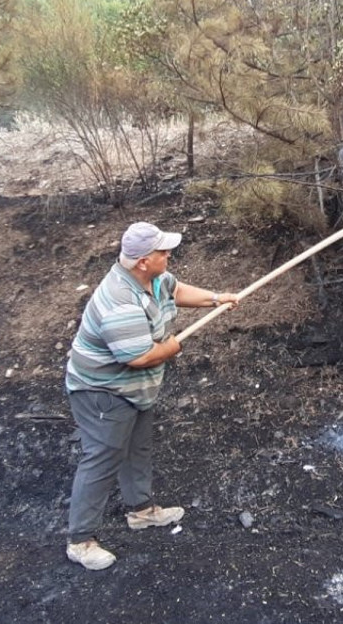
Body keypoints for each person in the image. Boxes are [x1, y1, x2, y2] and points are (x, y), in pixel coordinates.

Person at [64, 221, 239, 570]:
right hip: (102, 391)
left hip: (134, 390)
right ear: (143, 260)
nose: (169, 254)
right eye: (163, 251)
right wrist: (173, 346)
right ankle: (80, 540)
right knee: (102, 457)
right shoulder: (120, 301)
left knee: (137, 447)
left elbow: (177, 291)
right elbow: (138, 357)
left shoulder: (154, 278)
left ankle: (141, 511)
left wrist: (218, 298)